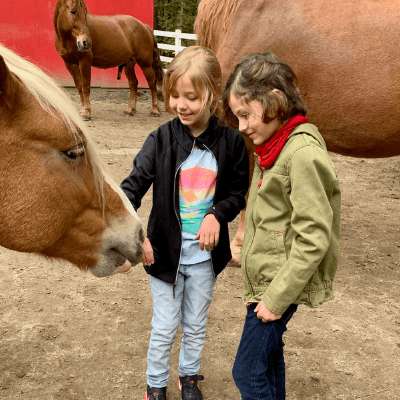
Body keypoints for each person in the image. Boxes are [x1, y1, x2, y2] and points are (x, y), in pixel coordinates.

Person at [121, 45, 249, 400]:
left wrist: (217, 214)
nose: (181, 105)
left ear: (212, 94)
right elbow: (130, 189)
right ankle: (155, 385)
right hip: (162, 254)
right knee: (164, 326)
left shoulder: (231, 142)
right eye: (174, 95)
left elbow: (238, 192)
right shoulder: (160, 139)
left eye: (191, 97)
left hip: (205, 257)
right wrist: (136, 237)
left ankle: (189, 377)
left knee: (195, 324)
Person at [222, 51, 341, 399]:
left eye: (245, 114)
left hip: (278, 285)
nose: (242, 126)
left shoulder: (301, 154)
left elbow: (314, 236)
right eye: (237, 116)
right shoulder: (274, 146)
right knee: (269, 361)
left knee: (246, 373)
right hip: (267, 278)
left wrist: (275, 299)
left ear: (274, 101)